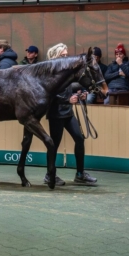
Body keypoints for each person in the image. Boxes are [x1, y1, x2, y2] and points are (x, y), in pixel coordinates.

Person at [44, 43, 98, 186]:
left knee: (79, 139)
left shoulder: (65, 71)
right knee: (53, 144)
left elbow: (68, 87)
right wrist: (68, 99)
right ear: (56, 56)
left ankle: (80, 174)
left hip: (67, 112)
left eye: (67, 55)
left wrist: (79, 94)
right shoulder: (50, 72)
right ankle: (50, 175)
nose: (66, 57)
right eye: (63, 55)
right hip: (56, 113)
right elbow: (49, 94)